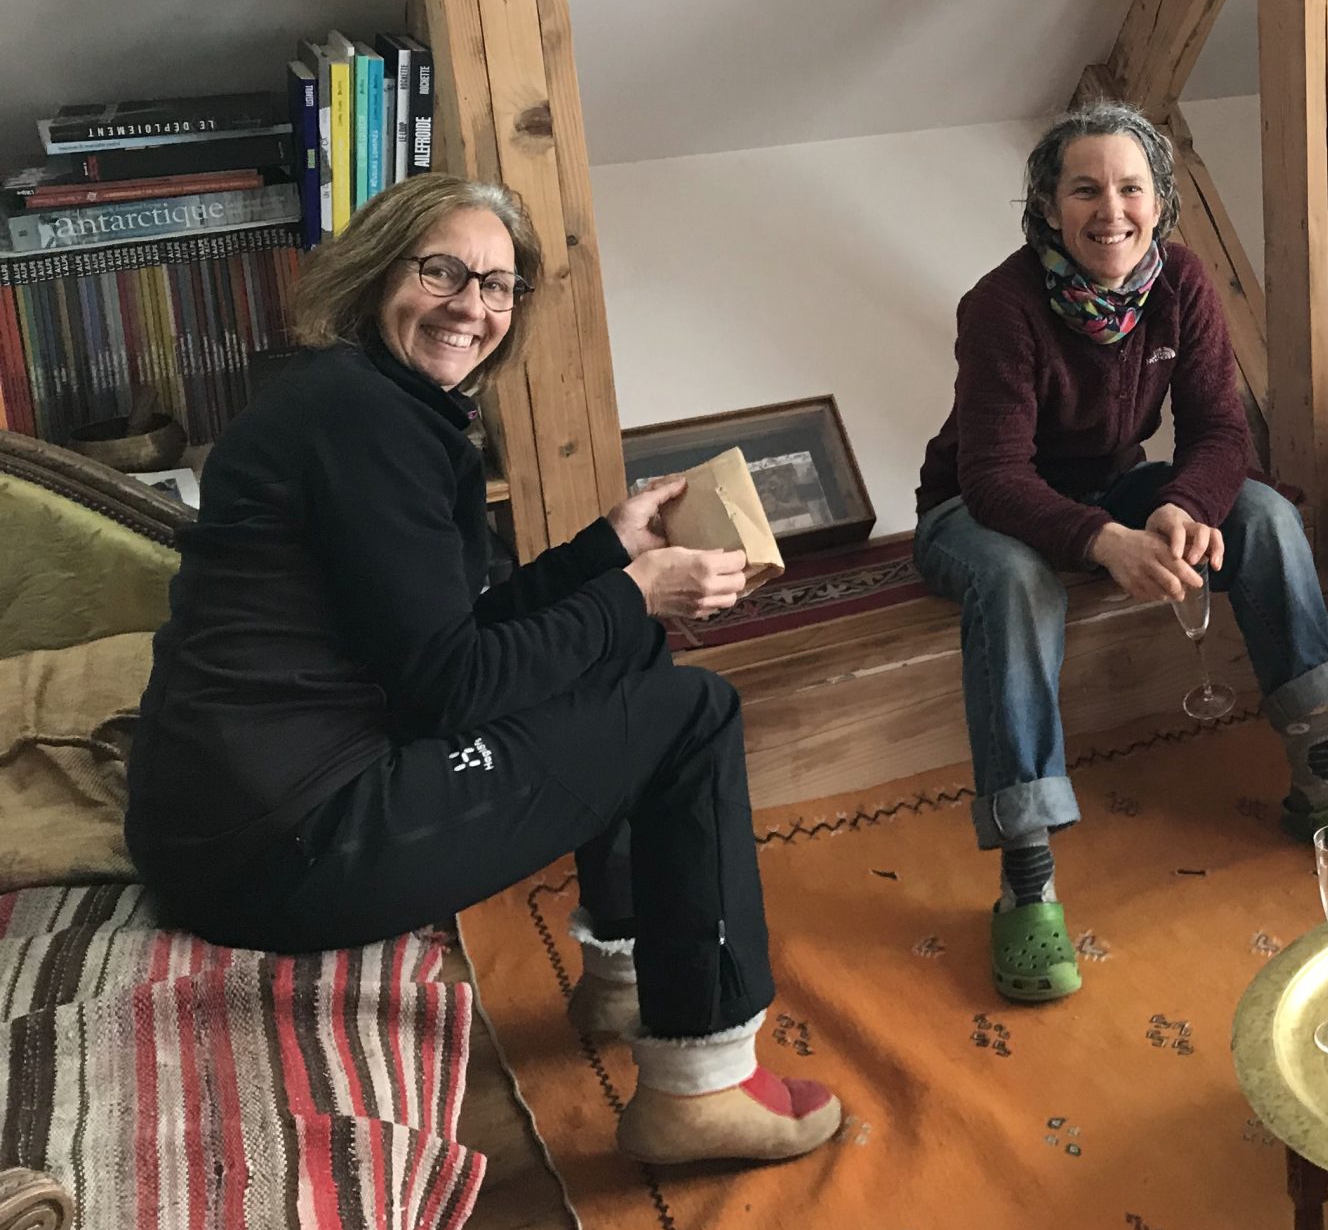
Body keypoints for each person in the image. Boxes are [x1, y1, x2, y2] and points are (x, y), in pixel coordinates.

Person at [125, 173, 843, 1167]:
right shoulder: (370, 426)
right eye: (443, 272)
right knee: (693, 709)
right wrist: (636, 591)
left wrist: (608, 552)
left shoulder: (357, 401)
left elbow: (438, 635)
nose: (472, 306)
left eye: (498, 286)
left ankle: (626, 975)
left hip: (236, 822)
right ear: (378, 273)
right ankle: (703, 1086)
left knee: (628, 651)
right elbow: (452, 686)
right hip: (290, 846)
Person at [914, 101, 1328, 1003]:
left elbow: (1221, 430)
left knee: (1263, 513)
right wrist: (1101, 539)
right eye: (1084, 190)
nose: (1110, 210)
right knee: (1021, 583)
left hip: (1111, 482)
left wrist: (1186, 505)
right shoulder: (1000, 306)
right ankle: (1027, 883)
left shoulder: (1181, 283)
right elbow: (993, 476)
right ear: (1047, 206)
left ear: (1160, 201)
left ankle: (1318, 783)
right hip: (975, 509)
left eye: (1130, 188)